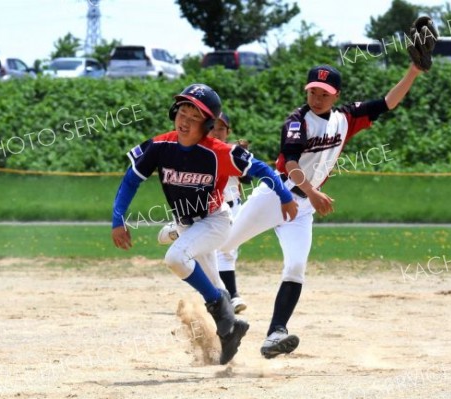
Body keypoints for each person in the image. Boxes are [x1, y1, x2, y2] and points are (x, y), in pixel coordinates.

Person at [220, 64, 423, 358]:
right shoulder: (296, 121)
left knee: (295, 267)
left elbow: (388, 102)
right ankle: (187, 229)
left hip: (302, 209)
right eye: (313, 91)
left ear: (336, 94)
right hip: (277, 194)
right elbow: (290, 163)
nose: (317, 98)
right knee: (223, 245)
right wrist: (314, 192)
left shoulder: (345, 118)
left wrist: (413, 71)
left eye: (324, 93)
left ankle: (275, 333)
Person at [111, 83, 298, 365]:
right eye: (182, 112)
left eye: (194, 117)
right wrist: (118, 219)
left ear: (208, 124)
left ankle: (221, 311)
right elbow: (131, 180)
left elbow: (260, 168)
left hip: (214, 221)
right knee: (215, 287)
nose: (185, 121)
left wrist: (285, 196)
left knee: (175, 257)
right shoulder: (160, 146)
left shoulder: (217, 152)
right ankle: (231, 332)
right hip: (188, 224)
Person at [208, 112, 250, 314]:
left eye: (221, 128)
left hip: (233, 207)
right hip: (210, 209)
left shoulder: (234, 152)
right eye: (213, 127)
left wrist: (241, 157)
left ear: (228, 131)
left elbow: (248, 179)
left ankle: (227, 296)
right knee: (214, 252)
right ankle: (225, 296)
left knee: (226, 252)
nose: (217, 132)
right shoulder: (201, 151)